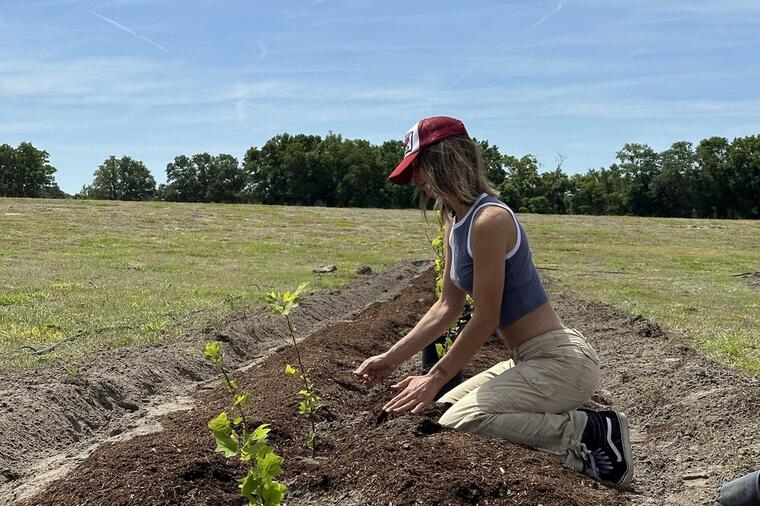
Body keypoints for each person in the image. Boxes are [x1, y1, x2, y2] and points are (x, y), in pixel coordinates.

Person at [352, 116, 633, 487]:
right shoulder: (453, 219)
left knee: (462, 420)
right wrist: (390, 360)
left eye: (418, 168)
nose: (415, 179)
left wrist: (435, 377)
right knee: (444, 411)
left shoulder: (489, 220)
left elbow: (486, 318)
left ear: (445, 161)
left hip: (561, 363)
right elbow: (446, 307)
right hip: (527, 360)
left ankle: (591, 431)